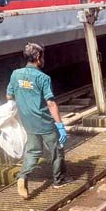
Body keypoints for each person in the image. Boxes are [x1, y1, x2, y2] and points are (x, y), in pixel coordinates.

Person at [7, 42, 69, 199]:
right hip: (44, 121)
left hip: (28, 121)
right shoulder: (43, 78)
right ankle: (59, 180)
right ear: (38, 57)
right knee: (56, 150)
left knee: (33, 151)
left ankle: (22, 177)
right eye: (43, 56)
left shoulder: (15, 74)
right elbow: (50, 103)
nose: (43, 59)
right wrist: (60, 126)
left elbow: (9, 96)